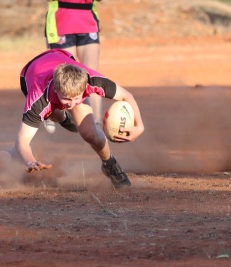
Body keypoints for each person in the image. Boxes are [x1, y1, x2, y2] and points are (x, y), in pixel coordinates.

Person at [14, 48, 144, 189]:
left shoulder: (91, 79)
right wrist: (30, 161)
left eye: (77, 98)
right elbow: (22, 140)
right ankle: (61, 117)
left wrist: (140, 126)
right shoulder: (38, 99)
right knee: (52, 112)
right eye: (67, 99)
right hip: (30, 76)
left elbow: (126, 96)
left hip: (60, 57)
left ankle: (109, 164)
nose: (73, 104)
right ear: (56, 90)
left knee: (90, 133)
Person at [43, 0, 102, 133]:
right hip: (61, 23)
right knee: (64, 75)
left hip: (87, 22)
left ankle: (96, 125)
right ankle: (50, 110)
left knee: (92, 75)